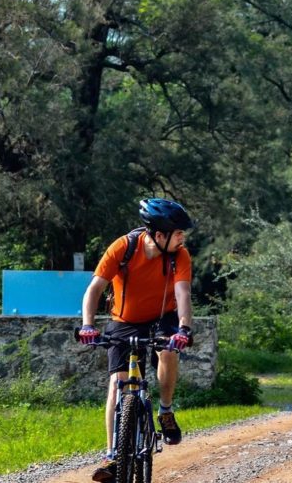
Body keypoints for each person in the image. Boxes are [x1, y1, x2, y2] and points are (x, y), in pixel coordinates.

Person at [77, 198, 195, 483]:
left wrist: (183, 329)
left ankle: (165, 410)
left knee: (168, 351)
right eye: (178, 232)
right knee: (117, 385)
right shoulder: (123, 248)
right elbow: (94, 289)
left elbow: (183, 295)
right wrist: (87, 325)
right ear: (159, 234)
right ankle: (111, 454)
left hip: (163, 317)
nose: (183, 238)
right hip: (125, 321)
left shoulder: (179, 255)